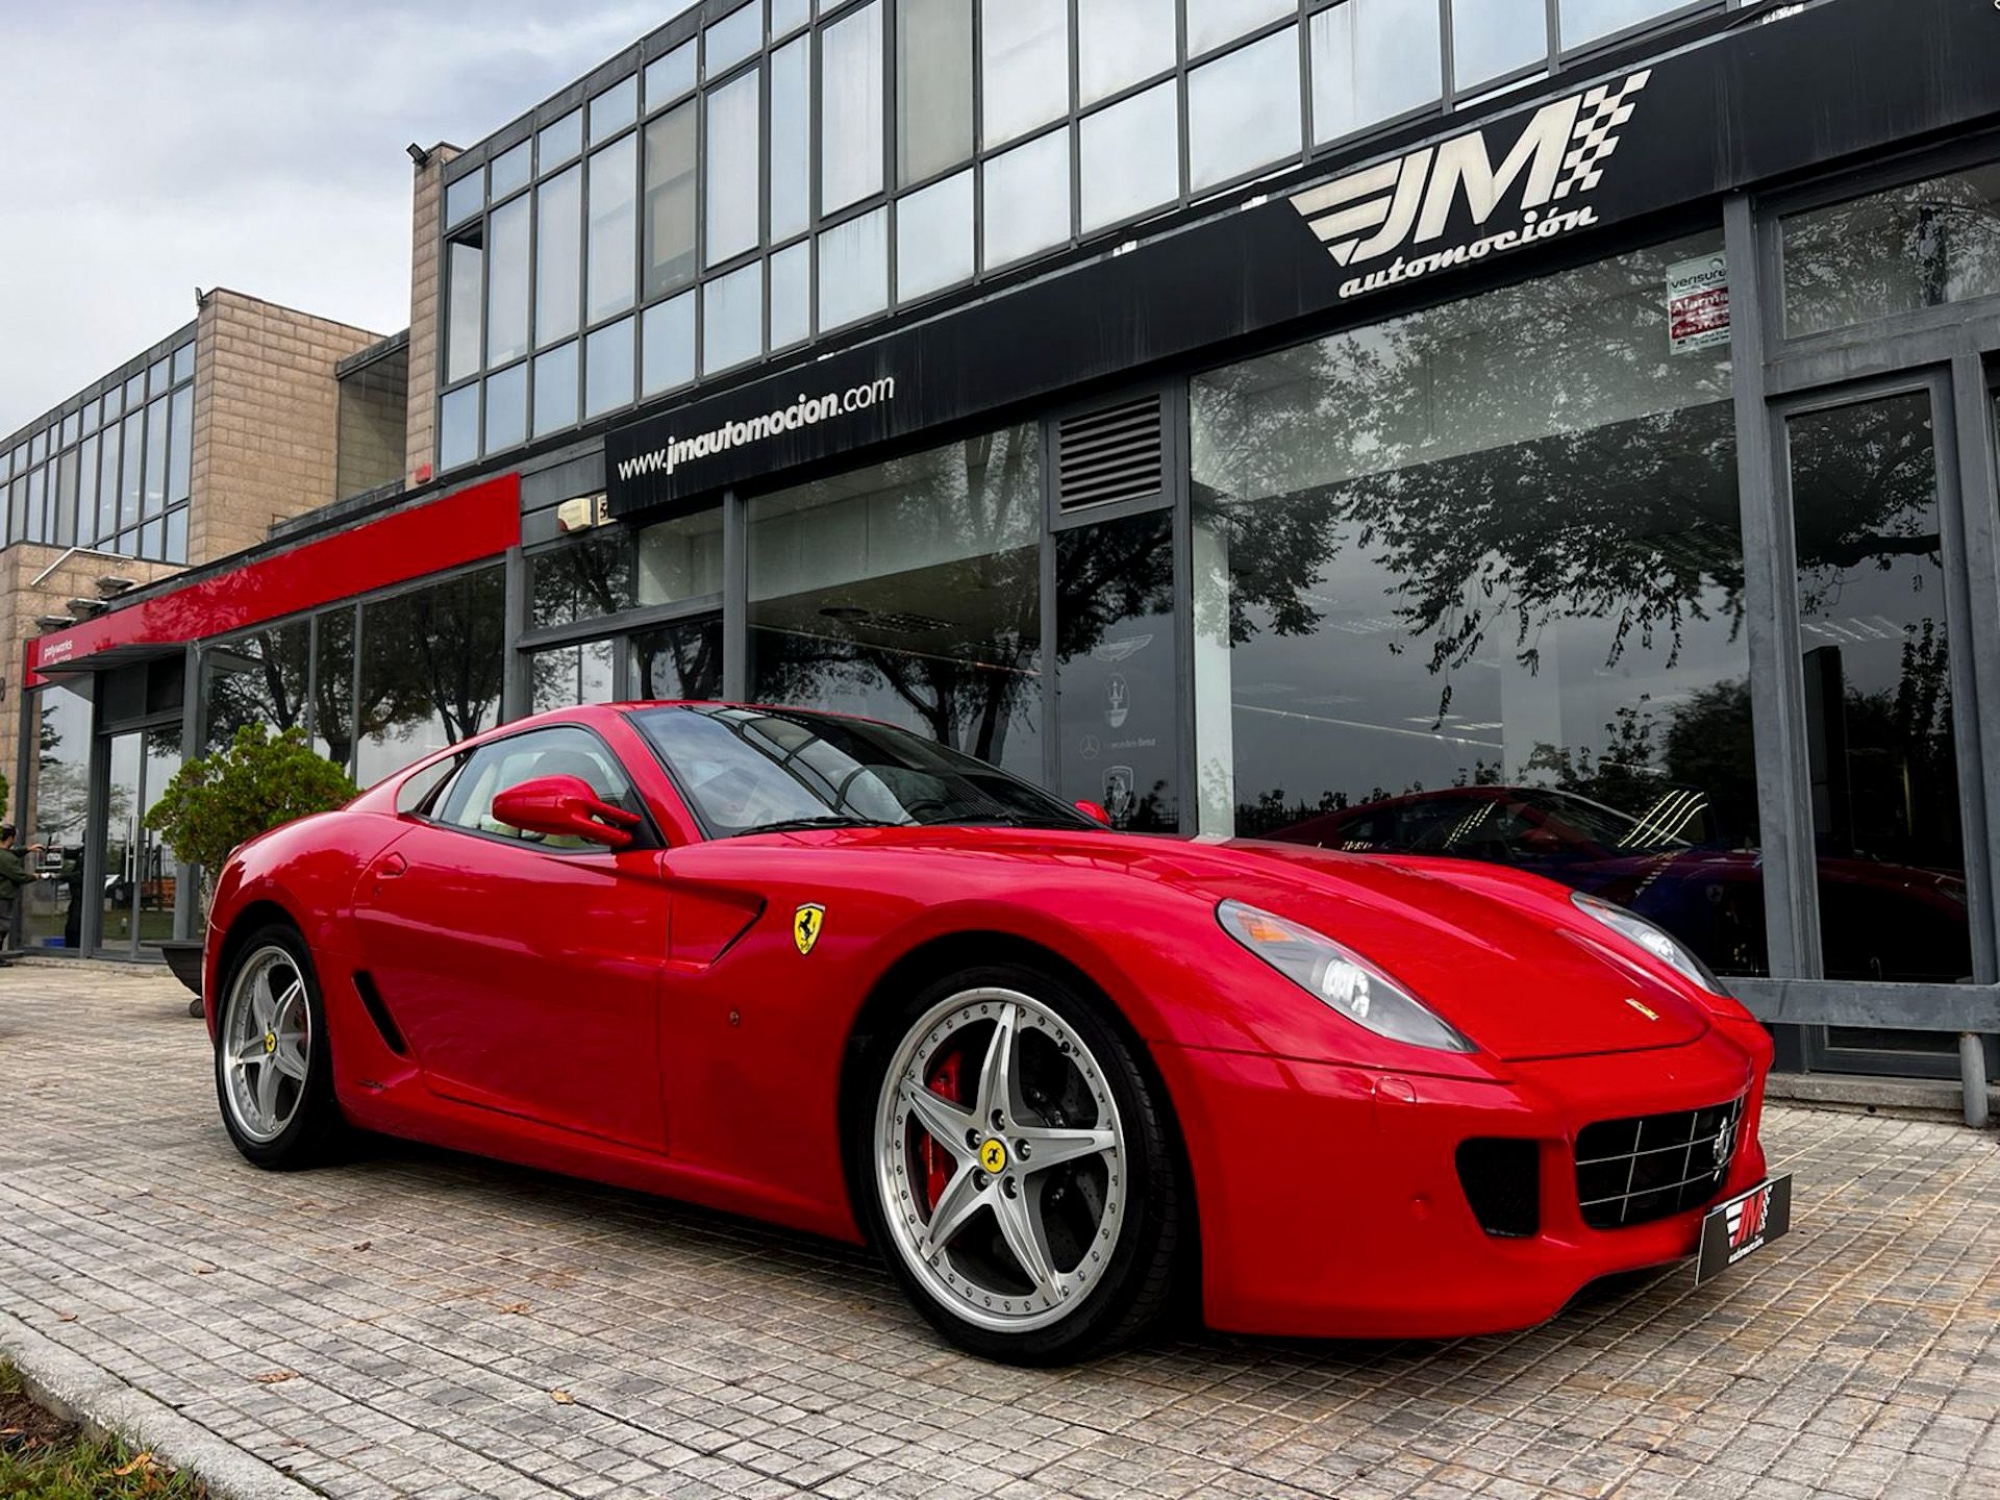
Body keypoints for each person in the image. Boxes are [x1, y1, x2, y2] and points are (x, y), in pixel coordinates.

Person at [0, 824, 48, 965]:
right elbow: (19, 876)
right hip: (3, 897)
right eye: (15, 837)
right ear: (11, 837)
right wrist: (37, 876)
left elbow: (11, 853)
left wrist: (28, 849)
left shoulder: (6, 854)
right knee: (2, 928)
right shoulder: (6, 859)